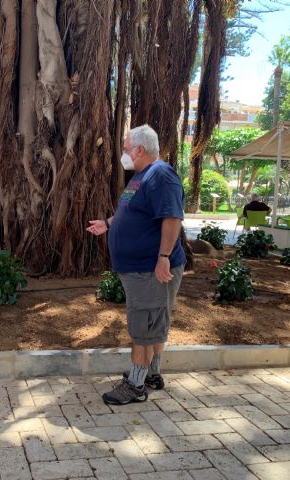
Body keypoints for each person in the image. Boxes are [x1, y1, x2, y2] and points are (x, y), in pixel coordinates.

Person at [87, 124, 185, 406]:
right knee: (153, 322)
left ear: (140, 150)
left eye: (126, 148)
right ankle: (151, 374)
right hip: (139, 270)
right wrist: (108, 224)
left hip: (150, 269)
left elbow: (172, 218)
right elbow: (131, 211)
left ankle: (135, 385)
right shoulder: (142, 176)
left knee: (143, 327)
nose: (124, 153)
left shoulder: (161, 176)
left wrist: (163, 257)